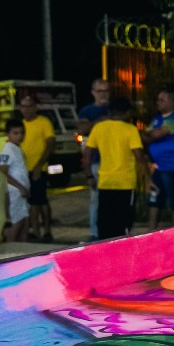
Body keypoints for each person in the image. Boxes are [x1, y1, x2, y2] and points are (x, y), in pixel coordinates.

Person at [84, 97, 147, 240]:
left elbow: (87, 156)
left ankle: (104, 254)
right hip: (125, 183)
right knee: (123, 223)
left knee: (105, 223)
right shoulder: (131, 130)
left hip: (105, 182)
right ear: (127, 113)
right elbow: (139, 157)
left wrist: (89, 177)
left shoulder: (99, 128)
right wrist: (148, 180)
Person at [145, 89, 174, 230]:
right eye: (158, 99)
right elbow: (147, 135)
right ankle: (152, 231)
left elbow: (156, 134)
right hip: (159, 166)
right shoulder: (157, 119)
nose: (158, 102)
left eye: (162, 100)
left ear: (171, 102)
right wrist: (151, 134)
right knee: (155, 198)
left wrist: (151, 134)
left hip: (172, 166)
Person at [19, 94, 56, 242]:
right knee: (31, 203)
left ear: (35, 107)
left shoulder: (43, 122)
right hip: (23, 170)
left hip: (38, 169)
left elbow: (50, 144)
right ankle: (36, 231)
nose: (27, 110)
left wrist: (39, 166)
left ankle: (47, 231)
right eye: (24, 106)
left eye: (29, 106)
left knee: (41, 202)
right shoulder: (21, 125)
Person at [78, 78, 112, 240]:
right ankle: (95, 233)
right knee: (96, 200)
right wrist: (99, 122)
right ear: (93, 92)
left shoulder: (115, 109)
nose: (103, 94)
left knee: (113, 199)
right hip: (97, 161)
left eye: (106, 90)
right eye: (100, 91)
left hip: (114, 161)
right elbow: (82, 129)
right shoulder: (87, 111)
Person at [0, 118, 31, 242]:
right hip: (15, 193)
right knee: (16, 223)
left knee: (24, 223)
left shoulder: (17, 148)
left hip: (21, 194)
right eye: (15, 133)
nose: (20, 136)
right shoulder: (8, 150)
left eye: (22, 133)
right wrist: (20, 187)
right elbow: (3, 172)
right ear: (8, 134)